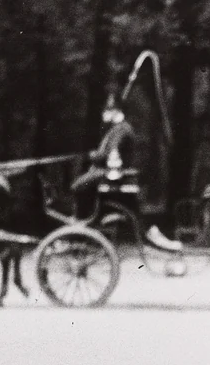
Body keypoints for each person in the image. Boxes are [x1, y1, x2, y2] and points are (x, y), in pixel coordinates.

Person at [71, 95, 182, 253]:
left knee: (77, 186)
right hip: (111, 174)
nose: (103, 114)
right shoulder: (117, 129)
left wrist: (96, 156)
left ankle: (79, 225)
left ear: (114, 111)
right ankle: (80, 224)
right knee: (80, 185)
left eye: (105, 110)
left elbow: (113, 154)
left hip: (113, 176)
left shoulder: (121, 130)